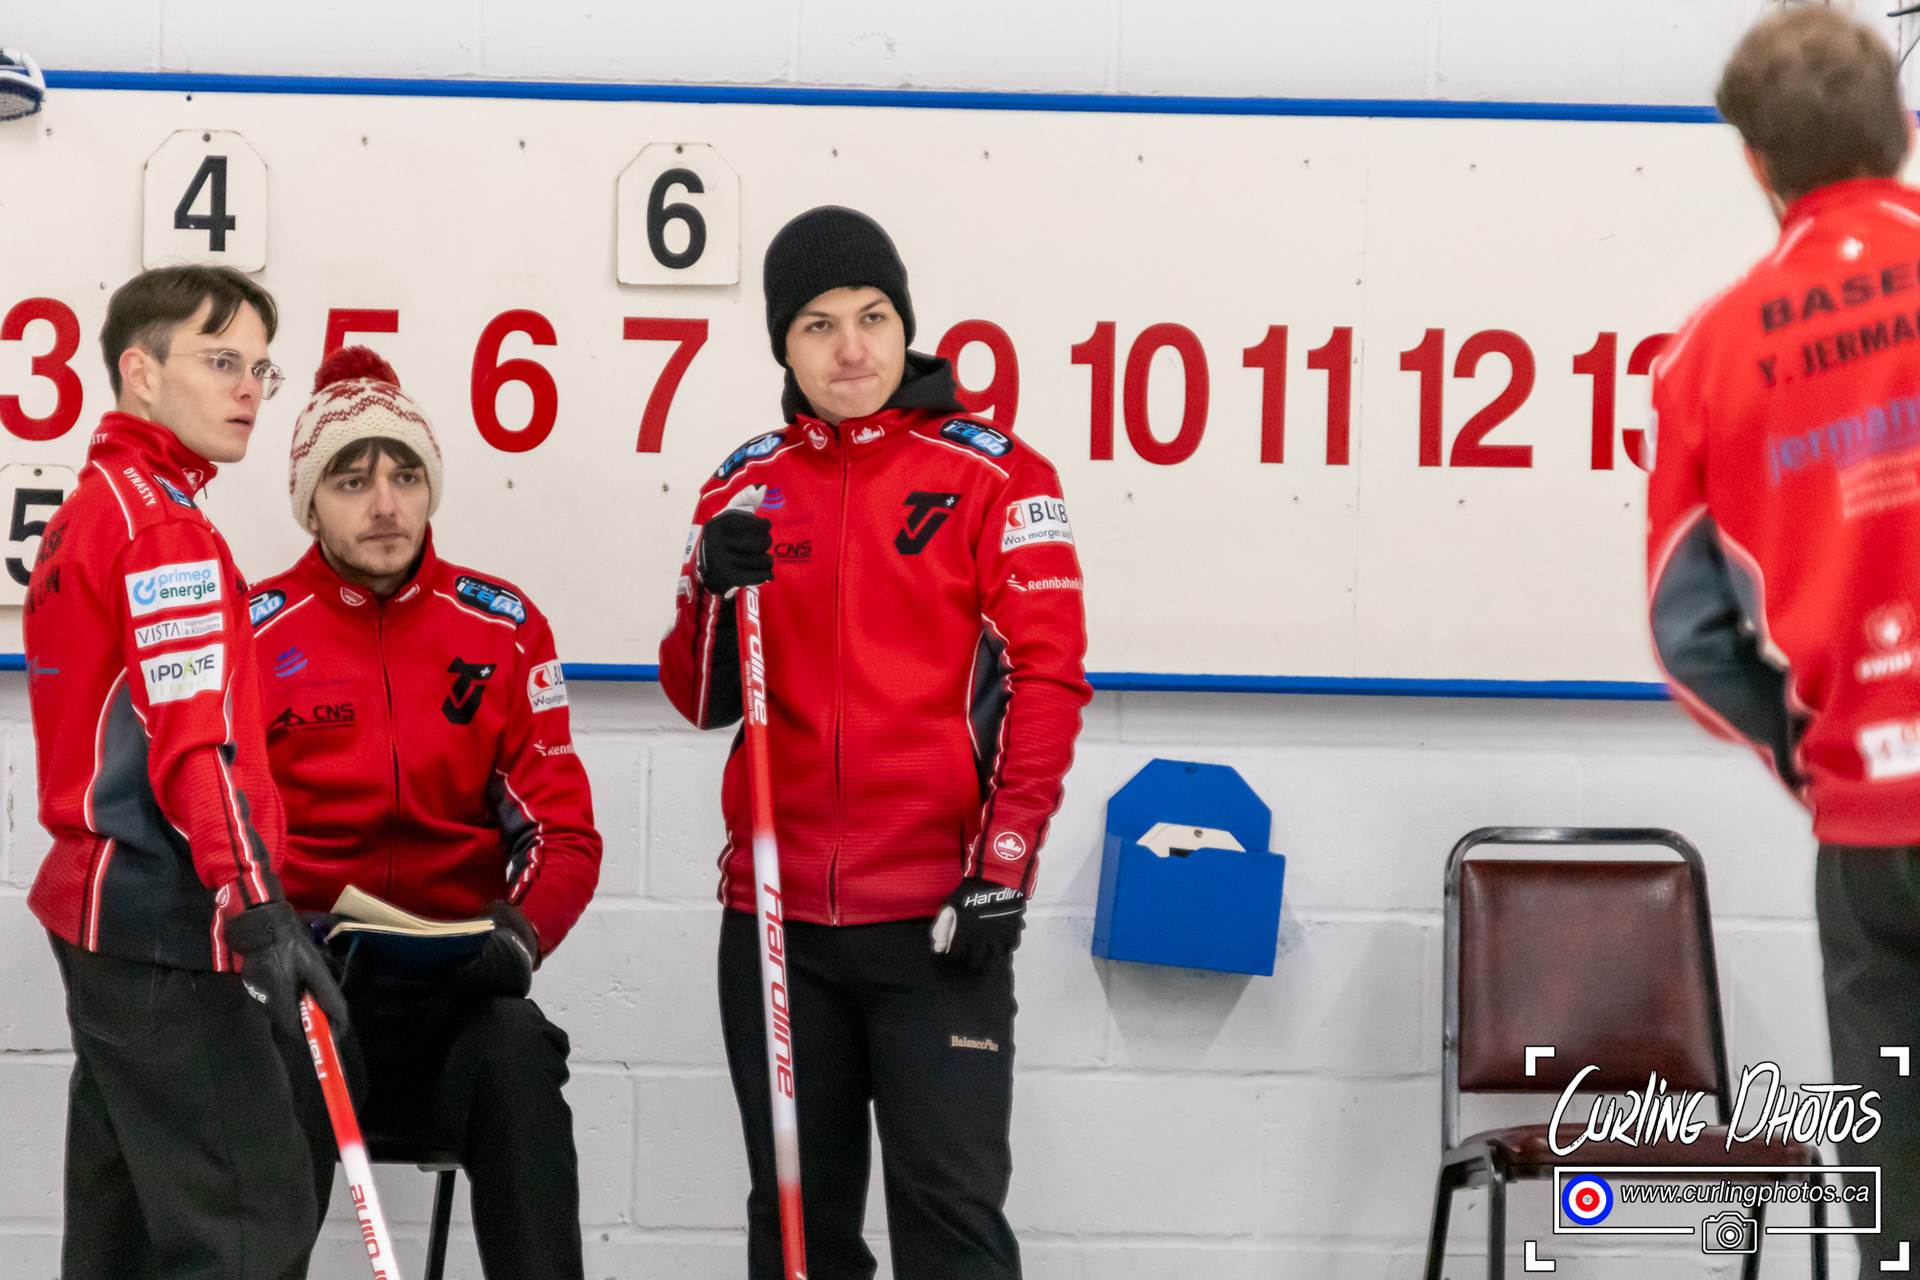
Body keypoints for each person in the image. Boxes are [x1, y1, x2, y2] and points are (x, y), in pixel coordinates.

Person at [660, 206, 1091, 1279]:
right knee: (799, 1234)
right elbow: (699, 697)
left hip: (936, 919)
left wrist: (1001, 868)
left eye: (872, 316)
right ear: (784, 344)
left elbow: (1047, 683)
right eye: (817, 324)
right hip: (776, 920)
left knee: (950, 1221)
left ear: (906, 324)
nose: (850, 347)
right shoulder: (742, 484)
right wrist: (710, 584)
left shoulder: (999, 475)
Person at [1649, 8, 1920, 1269]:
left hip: (1866, 825)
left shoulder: (1708, 353)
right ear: (1903, 130)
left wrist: (1811, 755)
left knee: (1900, 1208)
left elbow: (1689, 629)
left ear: (1757, 161)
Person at [246, 345, 604, 1277]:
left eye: (406, 477)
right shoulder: (253, 633)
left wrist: (518, 937)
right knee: (262, 1065)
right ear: (310, 503)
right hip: (311, 995)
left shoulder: (503, 627)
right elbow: (218, 834)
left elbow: (563, 831)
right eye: (353, 480)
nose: (385, 504)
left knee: (521, 1055)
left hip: (457, 995)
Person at [24, 265, 347, 1278]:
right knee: (250, 1228)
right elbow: (194, 742)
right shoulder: (161, 527)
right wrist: (259, 911)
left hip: (104, 924)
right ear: (141, 372)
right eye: (219, 361)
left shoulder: (90, 510)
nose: (248, 387)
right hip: (164, 922)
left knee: (120, 1234)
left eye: (259, 366)